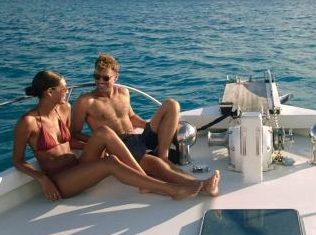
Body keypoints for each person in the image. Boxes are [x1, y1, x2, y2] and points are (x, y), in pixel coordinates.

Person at [12, 71, 203, 202]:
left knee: (103, 132)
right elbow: (18, 161)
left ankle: (143, 180)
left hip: (77, 166)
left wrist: (99, 145)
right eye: (63, 89)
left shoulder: (64, 108)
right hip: (59, 179)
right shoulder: (27, 122)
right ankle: (170, 189)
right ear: (49, 92)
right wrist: (42, 179)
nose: (67, 91)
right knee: (110, 162)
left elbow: (69, 139)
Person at [71, 54, 220, 196]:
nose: (100, 81)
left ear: (116, 77)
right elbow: (75, 132)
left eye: (105, 77)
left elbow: (131, 117)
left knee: (172, 105)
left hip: (137, 137)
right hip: (121, 145)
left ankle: (163, 156)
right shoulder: (86, 101)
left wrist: (159, 127)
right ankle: (201, 185)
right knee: (157, 166)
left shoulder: (123, 92)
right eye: (96, 76)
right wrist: (100, 144)